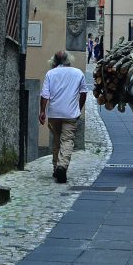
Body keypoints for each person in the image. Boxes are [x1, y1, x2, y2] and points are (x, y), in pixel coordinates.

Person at [39, 50, 88, 183]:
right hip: (70, 113)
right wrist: (79, 107)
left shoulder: (50, 73)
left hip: (54, 113)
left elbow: (45, 95)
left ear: (54, 61)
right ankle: (62, 166)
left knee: (56, 140)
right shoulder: (78, 73)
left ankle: (55, 167)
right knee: (67, 140)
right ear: (68, 60)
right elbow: (83, 92)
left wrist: (42, 111)